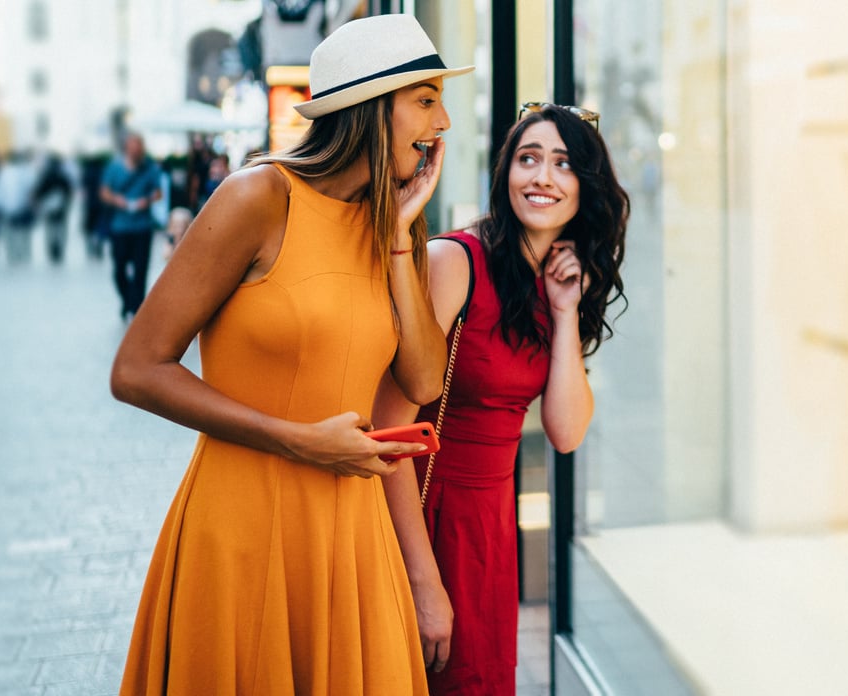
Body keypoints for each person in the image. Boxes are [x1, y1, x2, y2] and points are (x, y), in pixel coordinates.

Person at [111, 14, 472, 695]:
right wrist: (299, 442)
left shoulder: (392, 221)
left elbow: (423, 377)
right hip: (241, 521)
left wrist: (399, 236)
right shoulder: (258, 197)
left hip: (350, 534)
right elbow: (137, 368)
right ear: (370, 108)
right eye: (426, 98)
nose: (444, 121)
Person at [374, 103, 629, 694]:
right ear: (505, 173)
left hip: (490, 526)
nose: (541, 177)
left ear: (584, 187)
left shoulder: (556, 281)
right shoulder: (454, 261)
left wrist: (565, 316)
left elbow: (565, 432)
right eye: (528, 158)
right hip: (424, 516)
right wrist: (422, 581)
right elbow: (388, 432)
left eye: (562, 164)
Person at [100, 132, 162, 319]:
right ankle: (128, 300)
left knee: (140, 270)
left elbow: (158, 193)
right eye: (133, 147)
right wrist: (116, 200)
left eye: (139, 147)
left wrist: (147, 200)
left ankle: (137, 310)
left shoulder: (149, 168)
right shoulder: (115, 167)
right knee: (119, 270)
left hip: (142, 227)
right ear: (127, 147)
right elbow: (104, 192)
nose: (136, 151)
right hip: (120, 227)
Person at [33, 152, 74, 263]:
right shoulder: (64, 176)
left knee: (50, 229)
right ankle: (60, 250)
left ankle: (51, 250)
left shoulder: (45, 175)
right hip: (61, 209)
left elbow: (39, 191)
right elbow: (69, 192)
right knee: (61, 229)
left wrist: (38, 202)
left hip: (48, 208)